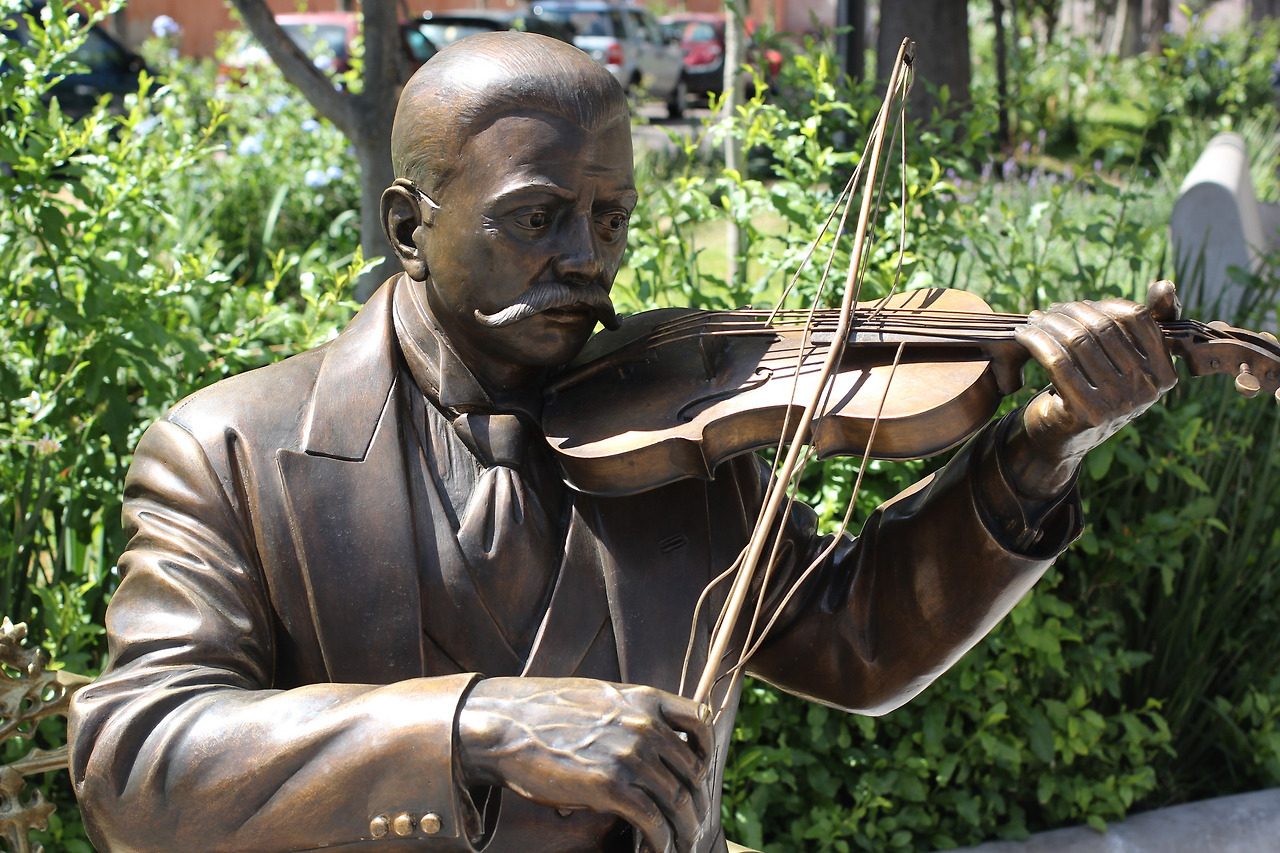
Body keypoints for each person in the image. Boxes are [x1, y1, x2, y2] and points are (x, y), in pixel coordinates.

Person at [68, 33, 1177, 853]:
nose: (585, 259)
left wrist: (1041, 447)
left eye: (610, 220)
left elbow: (856, 638)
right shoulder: (230, 448)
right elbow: (136, 758)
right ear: (408, 227)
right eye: (536, 217)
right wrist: (476, 721)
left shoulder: (674, 424)